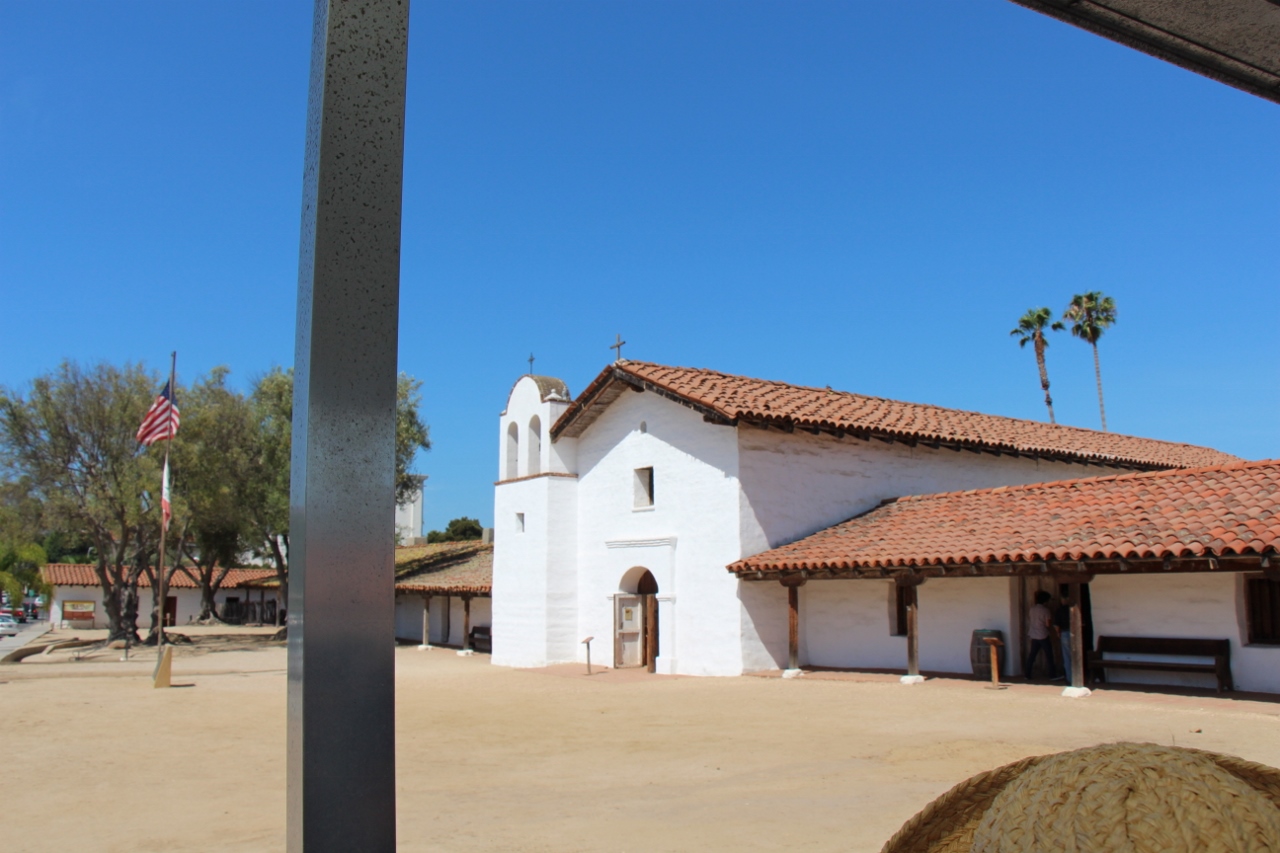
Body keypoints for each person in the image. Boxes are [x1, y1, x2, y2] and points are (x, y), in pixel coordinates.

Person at [1025, 590, 1057, 680]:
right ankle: (1052, 675)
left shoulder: (1032, 609)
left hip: (1033, 634)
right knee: (1049, 655)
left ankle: (1027, 674)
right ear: (1045, 601)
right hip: (1043, 634)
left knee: (1032, 655)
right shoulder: (1045, 610)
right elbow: (1047, 624)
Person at [1054, 591, 1073, 683]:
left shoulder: (1059, 610)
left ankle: (1070, 679)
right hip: (1074, 634)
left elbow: (1056, 625)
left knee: (1067, 657)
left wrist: (1058, 633)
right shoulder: (1073, 609)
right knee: (1076, 656)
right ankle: (1079, 678)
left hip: (1064, 633)